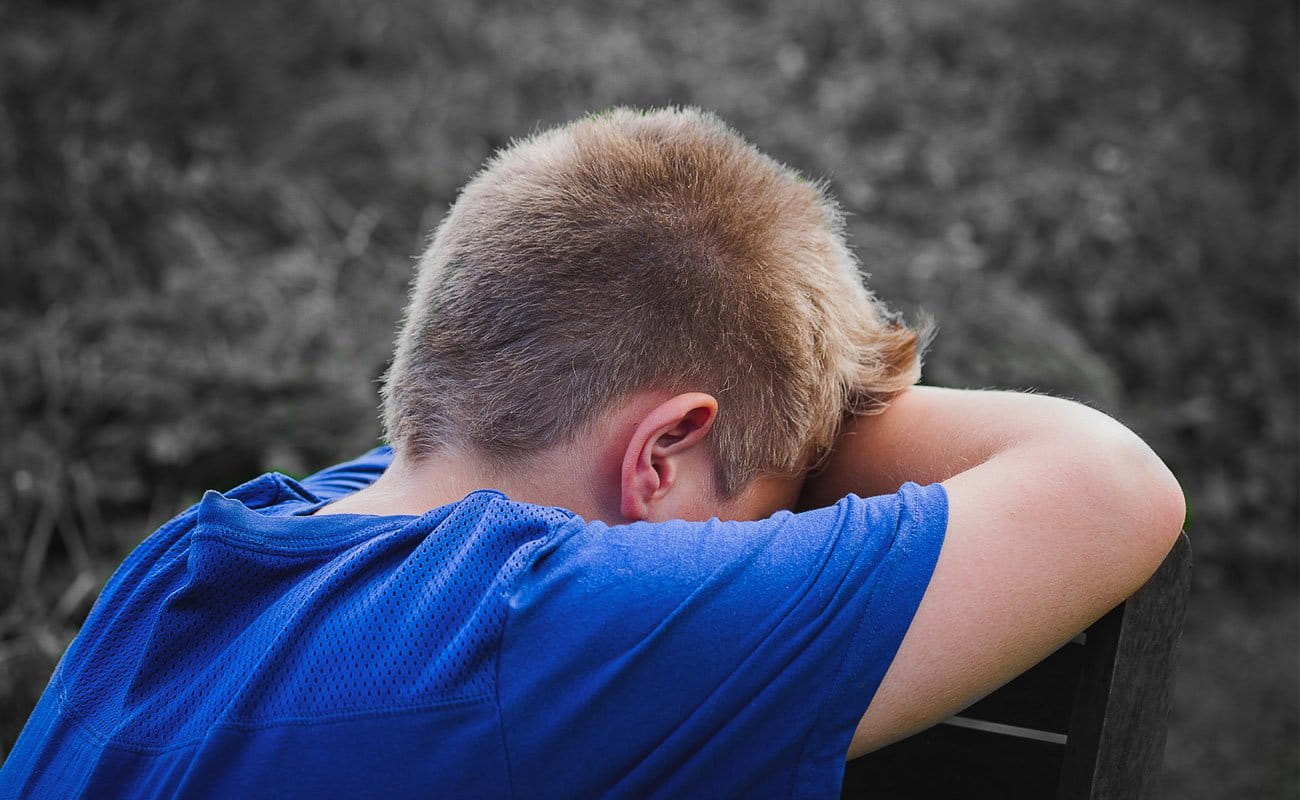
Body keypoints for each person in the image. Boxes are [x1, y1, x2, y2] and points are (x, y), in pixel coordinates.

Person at [0, 108, 1185, 799]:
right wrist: (828, 407)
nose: (754, 549)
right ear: (661, 454)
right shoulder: (542, 624)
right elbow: (1111, 485)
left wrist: (784, 408)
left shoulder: (183, 565)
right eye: (765, 517)